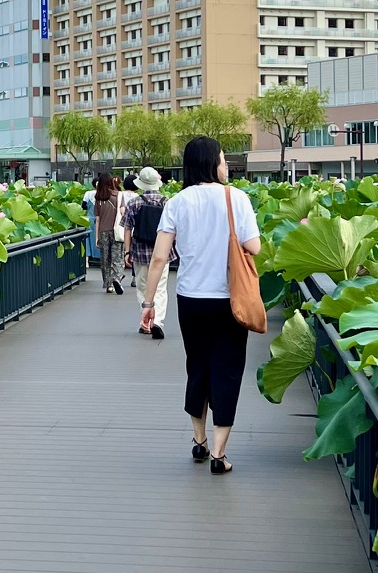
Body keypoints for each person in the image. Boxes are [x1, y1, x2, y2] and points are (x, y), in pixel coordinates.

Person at [139, 135, 262, 474]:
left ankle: (199, 440)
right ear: (212, 163)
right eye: (223, 159)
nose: (225, 166)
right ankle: (219, 455)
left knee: (198, 367)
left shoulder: (177, 202)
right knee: (227, 369)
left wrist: (148, 303)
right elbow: (254, 247)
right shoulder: (236, 198)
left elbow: (160, 258)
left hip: (191, 298)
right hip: (229, 299)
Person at [121, 166, 168, 338]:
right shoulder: (166, 202)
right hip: (162, 252)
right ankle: (158, 321)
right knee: (161, 288)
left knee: (142, 287)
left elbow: (127, 229)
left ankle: (145, 321)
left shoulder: (134, 203)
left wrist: (127, 252)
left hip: (140, 252)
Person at [93, 173, 122, 292]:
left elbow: (98, 219)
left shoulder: (98, 197)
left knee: (105, 259)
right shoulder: (118, 196)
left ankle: (108, 284)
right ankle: (116, 278)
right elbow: (122, 213)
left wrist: (96, 237)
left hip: (103, 231)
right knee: (117, 257)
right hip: (116, 231)